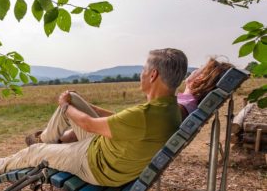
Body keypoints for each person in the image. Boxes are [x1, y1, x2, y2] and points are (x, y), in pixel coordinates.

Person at [0, 48, 187, 187]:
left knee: (35, 152)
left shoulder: (144, 116)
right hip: (108, 150)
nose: (141, 73)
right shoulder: (170, 109)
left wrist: (66, 107)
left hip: (96, 164)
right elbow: (118, 119)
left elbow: (89, 124)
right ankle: (45, 138)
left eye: (143, 69)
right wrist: (77, 102)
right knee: (74, 98)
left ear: (153, 75)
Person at [39, 57, 235, 144]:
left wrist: (67, 104)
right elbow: (123, 119)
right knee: (76, 104)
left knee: (70, 98)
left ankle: (42, 141)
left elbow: (100, 124)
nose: (195, 70)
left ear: (201, 78)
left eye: (200, 68)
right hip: (129, 138)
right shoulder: (185, 105)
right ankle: (48, 139)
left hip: (116, 147)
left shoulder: (174, 107)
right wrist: (88, 106)